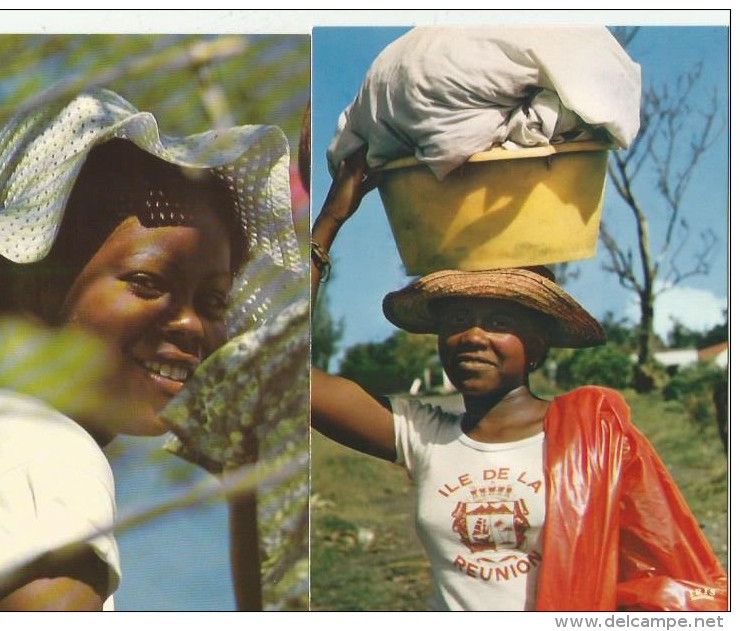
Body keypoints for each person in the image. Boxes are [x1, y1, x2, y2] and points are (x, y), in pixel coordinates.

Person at [0, 88, 303, 611]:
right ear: (35, 288)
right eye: (146, 283)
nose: (188, 323)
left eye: (212, 300)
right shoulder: (33, 440)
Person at [310, 147, 727, 611]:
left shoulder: (595, 439)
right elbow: (281, 373)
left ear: (538, 343)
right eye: (458, 319)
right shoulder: (426, 434)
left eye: (499, 321)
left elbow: (663, 570)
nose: (472, 335)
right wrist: (330, 220)